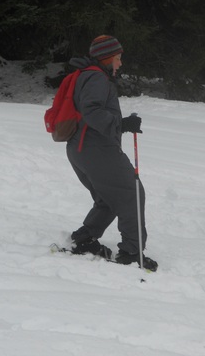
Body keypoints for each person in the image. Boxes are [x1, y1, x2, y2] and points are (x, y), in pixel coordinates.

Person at [65, 34, 158, 271]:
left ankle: (85, 238)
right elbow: (92, 111)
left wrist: (119, 124)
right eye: (117, 58)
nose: (120, 63)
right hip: (96, 148)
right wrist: (122, 124)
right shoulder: (97, 78)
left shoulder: (87, 75)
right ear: (106, 58)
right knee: (131, 193)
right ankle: (130, 253)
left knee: (108, 197)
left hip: (80, 148)